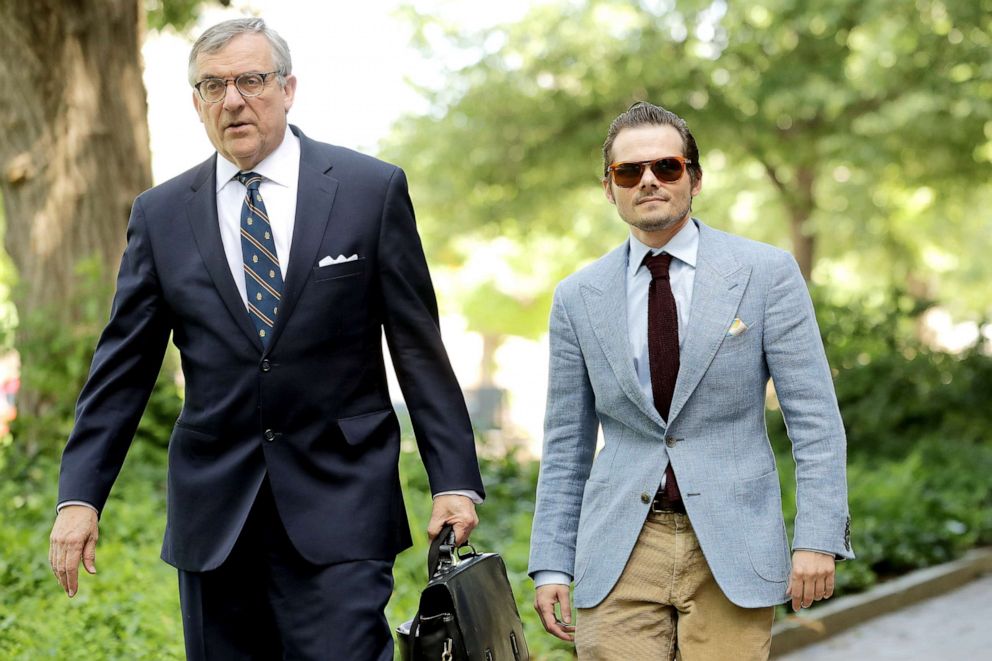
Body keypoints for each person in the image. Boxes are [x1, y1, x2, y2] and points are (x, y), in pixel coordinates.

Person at [48, 18, 484, 660]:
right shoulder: (161, 215)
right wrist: (80, 496)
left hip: (342, 502)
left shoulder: (370, 191)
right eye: (212, 86)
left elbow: (417, 348)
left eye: (251, 80)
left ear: (287, 89)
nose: (233, 101)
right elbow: (122, 372)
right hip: (214, 516)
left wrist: (453, 480)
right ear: (196, 101)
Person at [528, 102, 853, 660]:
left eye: (667, 167)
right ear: (610, 189)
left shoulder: (765, 273)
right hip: (620, 545)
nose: (648, 181)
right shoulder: (578, 297)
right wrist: (552, 561)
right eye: (629, 172)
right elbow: (566, 445)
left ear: (694, 178)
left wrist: (818, 539)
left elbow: (816, 422)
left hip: (732, 540)